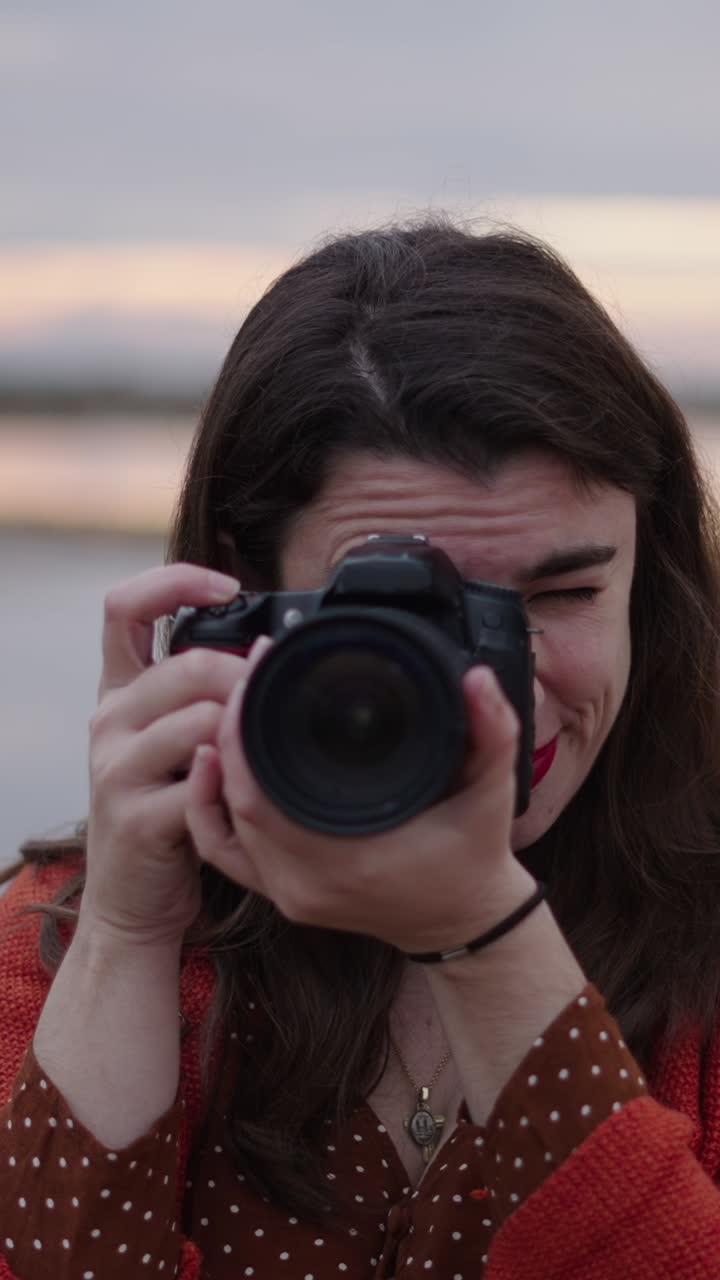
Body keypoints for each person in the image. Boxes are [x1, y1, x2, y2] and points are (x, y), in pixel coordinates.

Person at [2, 218, 720, 1280]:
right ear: (243, 598)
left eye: (562, 593)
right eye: (414, 617)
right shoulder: (59, 934)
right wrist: (123, 930)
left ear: (644, 593)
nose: (495, 688)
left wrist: (484, 938)